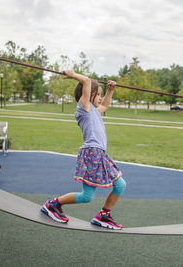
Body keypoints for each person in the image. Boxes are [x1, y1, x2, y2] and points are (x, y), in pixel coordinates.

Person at [41, 70, 126, 230]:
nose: (100, 98)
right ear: (88, 94)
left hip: (99, 154)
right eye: (98, 94)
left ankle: (102, 215)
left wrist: (110, 91)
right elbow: (86, 81)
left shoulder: (94, 111)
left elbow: (106, 105)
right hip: (92, 154)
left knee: (106, 190)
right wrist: (73, 74)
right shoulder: (83, 109)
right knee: (102, 191)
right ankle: (52, 205)